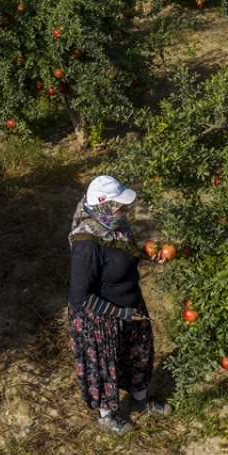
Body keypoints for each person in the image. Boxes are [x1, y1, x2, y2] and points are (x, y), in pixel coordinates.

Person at [67, 175, 171, 434]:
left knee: (139, 355)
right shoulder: (86, 244)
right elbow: (78, 298)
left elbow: (121, 262)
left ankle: (140, 400)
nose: (125, 210)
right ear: (102, 206)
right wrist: (120, 313)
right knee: (104, 366)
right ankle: (106, 416)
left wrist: (148, 256)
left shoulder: (119, 228)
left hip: (131, 306)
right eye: (119, 206)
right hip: (101, 317)